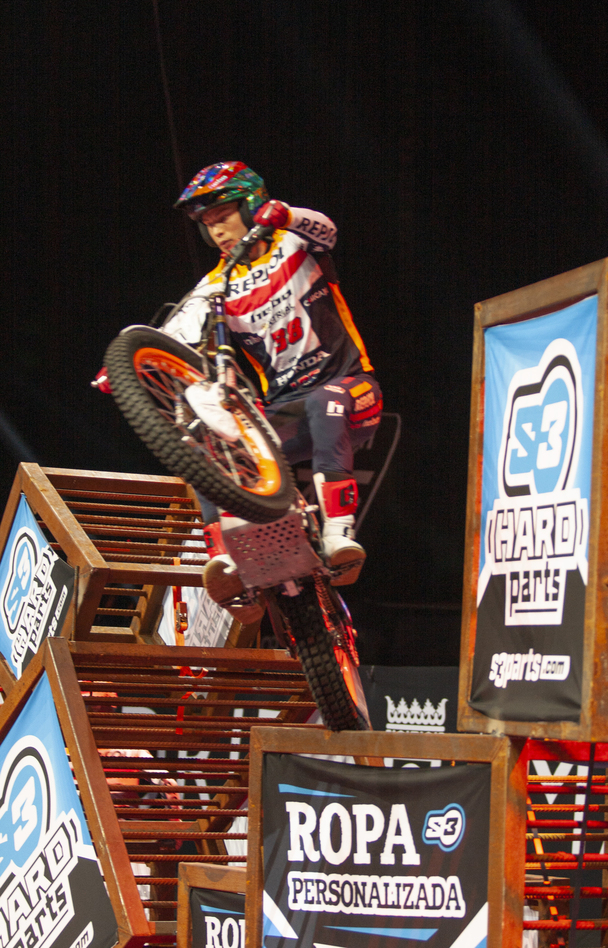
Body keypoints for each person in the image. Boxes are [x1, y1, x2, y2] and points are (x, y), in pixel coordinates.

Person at [164, 162, 382, 617]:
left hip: (352, 391)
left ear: (250, 205)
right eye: (207, 223)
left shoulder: (294, 243)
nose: (216, 230)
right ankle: (226, 557)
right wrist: (126, 363)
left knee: (325, 399)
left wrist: (284, 214)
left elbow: (327, 229)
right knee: (207, 442)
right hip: (286, 414)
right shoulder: (216, 284)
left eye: (223, 215)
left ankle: (339, 533)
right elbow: (174, 335)